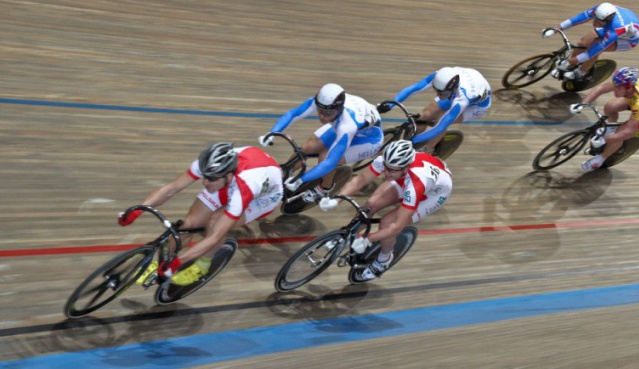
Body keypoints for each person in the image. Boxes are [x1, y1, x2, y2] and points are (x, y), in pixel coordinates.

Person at [118, 142, 283, 285]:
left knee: (214, 223)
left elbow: (215, 237)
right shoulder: (209, 165)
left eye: (211, 179)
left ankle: (203, 265)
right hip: (237, 177)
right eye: (205, 176)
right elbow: (172, 188)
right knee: (188, 225)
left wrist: (178, 262)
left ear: (228, 175)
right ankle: (160, 263)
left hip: (263, 197)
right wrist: (138, 209)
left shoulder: (244, 188)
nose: (205, 183)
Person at [318, 140, 452, 280]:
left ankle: (384, 259)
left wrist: (368, 240)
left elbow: (396, 227)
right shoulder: (389, 162)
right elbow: (361, 180)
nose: (386, 173)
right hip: (408, 176)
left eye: (391, 170)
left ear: (405, 167)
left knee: (388, 223)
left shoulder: (415, 185)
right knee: (371, 204)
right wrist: (336, 199)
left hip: (434, 194)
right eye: (385, 167)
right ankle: (348, 236)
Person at [259, 83, 383, 202]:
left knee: (325, 157)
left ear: (339, 109)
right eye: (320, 111)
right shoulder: (324, 102)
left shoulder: (347, 125)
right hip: (344, 125)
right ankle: (287, 172)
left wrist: (300, 180)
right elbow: (293, 114)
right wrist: (271, 133)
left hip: (369, 140)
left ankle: (325, 188)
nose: (322, 117)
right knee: (306, 148)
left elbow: (330, 162)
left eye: (328, 113)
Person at [570, 67, 639, 172]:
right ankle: (611, 129)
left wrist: (605, 139)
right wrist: (582, 103)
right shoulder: (622, 82)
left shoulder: (638, 102)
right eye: (615, 86)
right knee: (610, 107)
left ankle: (600, 159)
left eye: (619, 88)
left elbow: (628, 132)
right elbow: (600, 89)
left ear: (629, 88)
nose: (615, 89)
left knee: (621, 132)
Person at [378, 66, 491, 152]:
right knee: (426, 114)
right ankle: (414, 139)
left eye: (443, 93)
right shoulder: (439, 77)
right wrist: (390, 105)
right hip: (457, 90)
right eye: (437, 91)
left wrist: (412, 141)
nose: (439, 95)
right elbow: (413, 89)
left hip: (476, 106)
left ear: (453, 88)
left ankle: (427, 150)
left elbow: (440, 126)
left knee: (441, 120)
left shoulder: (464, 97)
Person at [544, 2, 639, 81]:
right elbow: (578, 19)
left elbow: (596, 49)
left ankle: (581, 72)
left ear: (607, 20)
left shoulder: (615, 29)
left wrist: (570, 61)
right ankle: (570, 67)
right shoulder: (600, 10)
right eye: (595, 19)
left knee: (595, 46)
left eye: (599, 22)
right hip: (614, 26)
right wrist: (556, 29)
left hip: (628, 40)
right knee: (583, 43)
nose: (594, 23)